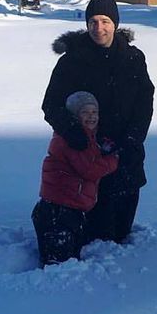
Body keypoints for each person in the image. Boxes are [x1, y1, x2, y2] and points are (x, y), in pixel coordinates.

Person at [42, 0, 155, 244]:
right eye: (93, 21)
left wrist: (133, 138)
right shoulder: (72, 61)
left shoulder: (133, 58)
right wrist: (73, 134)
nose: (99, 28)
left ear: (115, 24)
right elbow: (51, 104)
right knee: (98, 235)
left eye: (105, 21)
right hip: (88, 157)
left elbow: (144, 102)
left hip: (126, 153)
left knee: (122, 229)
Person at [32, 91, 119, 266]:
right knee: (59, 265)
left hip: (70, 209)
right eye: (85, 112)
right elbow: (89, 170)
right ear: (74, 115)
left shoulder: (87, 137)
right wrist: (113, 160)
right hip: (58, 212)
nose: (91, 117)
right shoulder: (72, 139)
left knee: (69, 259)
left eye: (94, 112)